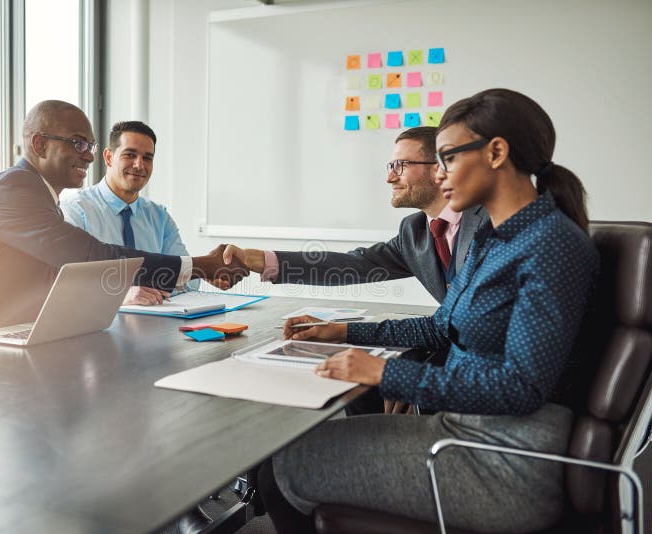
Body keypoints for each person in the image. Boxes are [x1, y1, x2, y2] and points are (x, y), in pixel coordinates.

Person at [257, 88, 600, 533]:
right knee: (287, 453)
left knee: (284, 467)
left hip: (503, 461)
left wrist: (386, 374)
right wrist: (344, 333)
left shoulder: (549, 243)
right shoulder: (493, 239)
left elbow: (521, 388)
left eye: (449, 159)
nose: (440, 176)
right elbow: (442, 329)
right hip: (462, 431)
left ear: (497, 152)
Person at [0, 100, 247, 341]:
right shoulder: (12, 190)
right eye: (78, 142)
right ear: (39, 144)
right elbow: (90, 257)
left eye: (91, 146)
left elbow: (61, 276)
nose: (88, 154)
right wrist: (203, 266)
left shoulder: (41, 196)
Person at [222, 126, 488, 305]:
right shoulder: (415, 230)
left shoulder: (490, 220)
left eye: (400, 166)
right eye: (389, 166)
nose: (389, 177)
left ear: (439, 168)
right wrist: (261, 260)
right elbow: (354, 265)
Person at [61, 120, 198, 306]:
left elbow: (190, 280)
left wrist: (149, 287)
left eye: (147, 158)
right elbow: (67, 283)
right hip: (98, 326)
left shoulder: (160, 217)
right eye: (130, 154)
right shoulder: (76, 210)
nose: (139, 165)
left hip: (157, 324)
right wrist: (119, 295)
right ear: (109, 157)